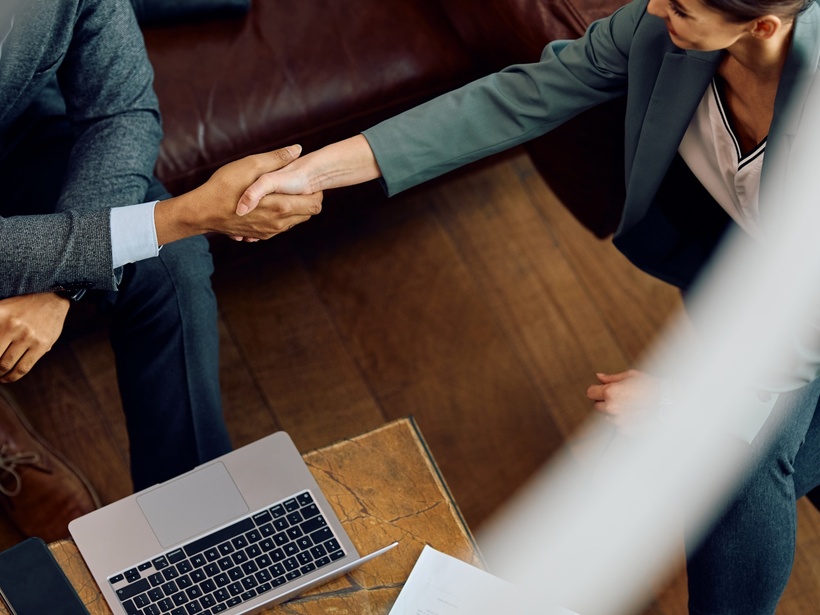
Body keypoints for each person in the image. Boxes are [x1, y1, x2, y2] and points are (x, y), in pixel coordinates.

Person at [234, 0, 820, 611]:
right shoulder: (663, 27)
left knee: (733, 464)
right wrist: (314, 173)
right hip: (741, 285)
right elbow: (518, 97)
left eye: (680, 6)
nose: (652, 6)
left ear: (763, 27)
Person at [0, 0, 321, 542]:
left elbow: (119, 114)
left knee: (170, 263)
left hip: (19, 131)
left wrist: (62, 285)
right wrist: (187, 214)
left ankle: (200, 544)